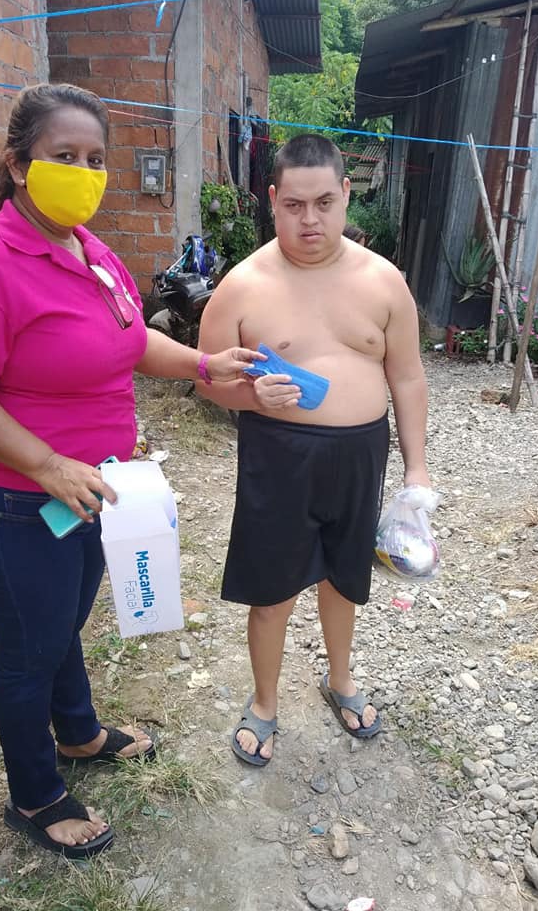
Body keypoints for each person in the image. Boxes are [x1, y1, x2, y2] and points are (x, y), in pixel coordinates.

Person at [0, 83, 264, 856]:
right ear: (18, 165)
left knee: (63, 624)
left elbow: (132, 341)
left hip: (91, 489)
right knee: (31, 646)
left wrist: (206, 364)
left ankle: (77, 732)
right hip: (14, 500)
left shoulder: (89, 250)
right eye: (64, 156)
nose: (85, 173)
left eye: (96, 159)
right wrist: (45, 464)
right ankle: (35, 796)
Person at [197, 134, 431, 766]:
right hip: (278, 453)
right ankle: (265, 702)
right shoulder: (242, 286)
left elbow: (408, 377)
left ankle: (341, 678)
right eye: (294, 205)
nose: (310, 221)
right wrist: (249, 397)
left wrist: (416, 471)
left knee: (344, 577)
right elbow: (207, 379)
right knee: (273, 588)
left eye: (324, 203)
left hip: (361, 454)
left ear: (346, 195)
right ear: (273, 199)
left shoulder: (384, 281)